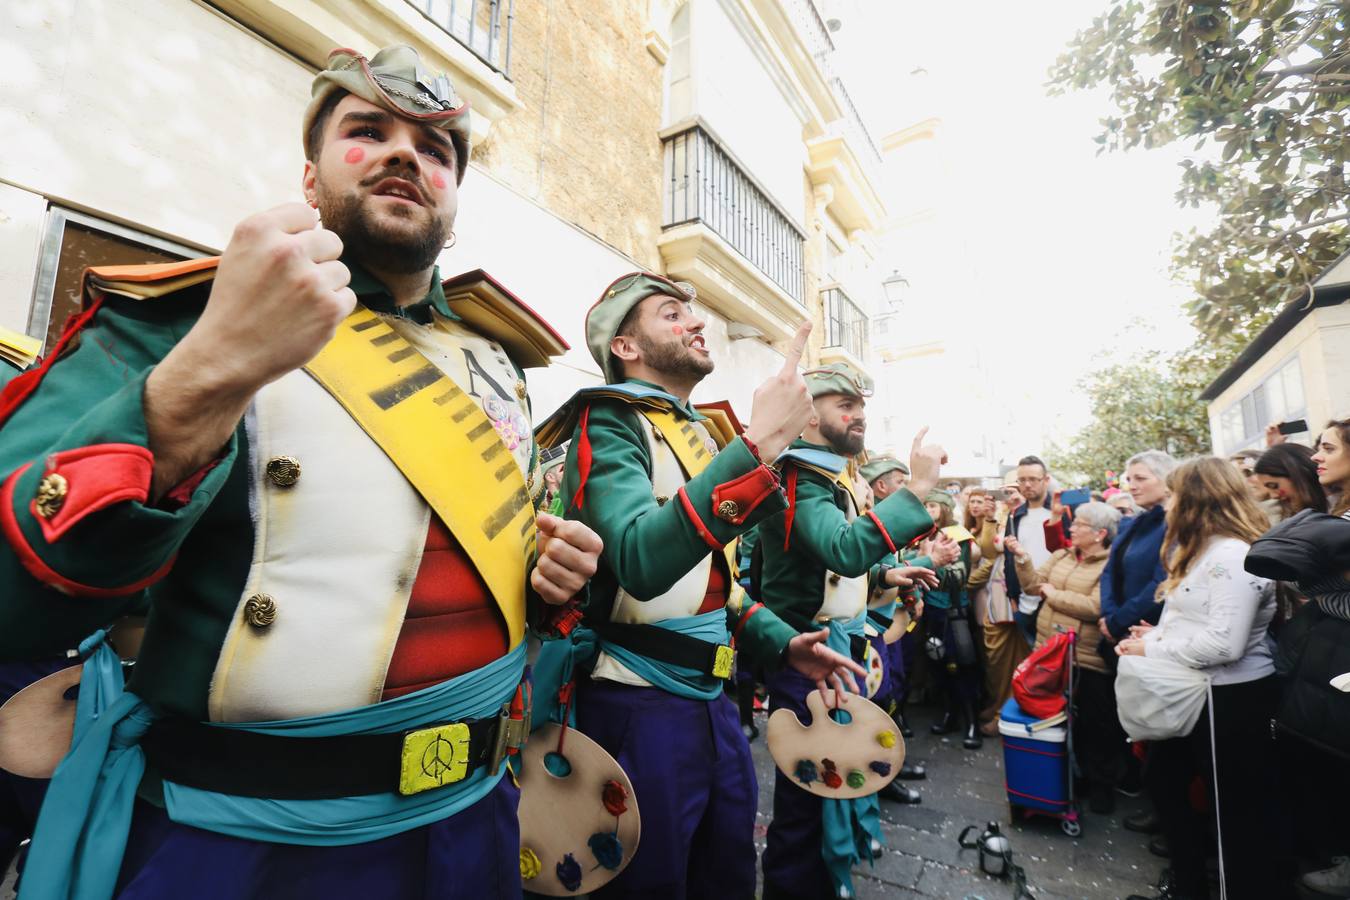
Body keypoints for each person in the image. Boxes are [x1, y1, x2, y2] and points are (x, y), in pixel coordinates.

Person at [0, 45, 607, 898]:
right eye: (369, 131)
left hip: (470, 823)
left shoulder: (498, 360)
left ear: (453, 200)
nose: (406, 156)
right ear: (311, 177)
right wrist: (201, 377)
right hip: (246, 841)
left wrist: (544, 582)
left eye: (434, 150)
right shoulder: (194, 316)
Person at [546, 277, 868, 899]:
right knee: (650, 884)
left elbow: (719, 583)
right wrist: (759, 444)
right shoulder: (608, 418)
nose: (696, 323)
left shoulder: (701, 436)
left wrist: (782, 642)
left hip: (714, 702)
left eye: (691, 313)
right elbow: (640, 562)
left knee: (726, 875)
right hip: (639, 705)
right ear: (625, 347)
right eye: (671, 315)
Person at [756, 363, 946, 900]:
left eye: (860, 405)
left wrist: (883, 575)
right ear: (809, 417)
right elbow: (841, 550)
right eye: (844, 405)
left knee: (830, 781)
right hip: (809, 658)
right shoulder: (799, 476)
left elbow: (825, 568)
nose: (858, 414)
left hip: (832, 651)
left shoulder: (826, 476)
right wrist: (919, 488)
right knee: (809, 796)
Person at [1119, 458, 1288, 900]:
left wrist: (1151, 649)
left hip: (1229, 701)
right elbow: (1199, 621)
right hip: (1199, 696)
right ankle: (1188, 885)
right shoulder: (1207, 550)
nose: (1167, 504)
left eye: (1174, 495)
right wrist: (1158, 635)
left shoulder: (1232, 556)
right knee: (1164, 782)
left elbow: (1225, 645)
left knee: (1234, 815)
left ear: (1197, 500)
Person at [1006, 501, 1124, 813]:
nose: (1071, 528)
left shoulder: (1110, 564)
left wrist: (1053, 594)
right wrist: (1023, 558)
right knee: (1060, 719)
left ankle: (1101, 786)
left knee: (1096, 725)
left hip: (1085, 657)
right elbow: (1033, 585)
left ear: (1100, 534)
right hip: (1048, 652)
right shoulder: (1061, 555)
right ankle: (1073, 777)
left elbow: (1095, 607)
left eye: (1079, 524)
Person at [917, 490, 983, 750]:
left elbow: (957, 576)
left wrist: (927, 564)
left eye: (933, 506)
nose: (928, 510)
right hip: (932, 610)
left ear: (944, 508)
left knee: (963, 666)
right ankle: (950, 715)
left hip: (954, 611)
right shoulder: (924, 534)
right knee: (939, 664)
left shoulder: (958, 535)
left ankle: (972, 722)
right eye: (925, 506)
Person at [1004, 455, 1056, 645]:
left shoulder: (1059, 511)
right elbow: (1009, 558)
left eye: (1033, 479)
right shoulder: (1016, 515)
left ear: (1046, 480)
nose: (1027, 485)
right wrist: (1012, 596)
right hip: (1024, 605)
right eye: (1022, 480)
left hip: (1053, 601)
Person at [1255, 442, 1328, 524]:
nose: (1274, 496)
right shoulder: (1285, 518)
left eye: (1273, 485)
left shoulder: (1337, 512)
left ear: (1297, 474)